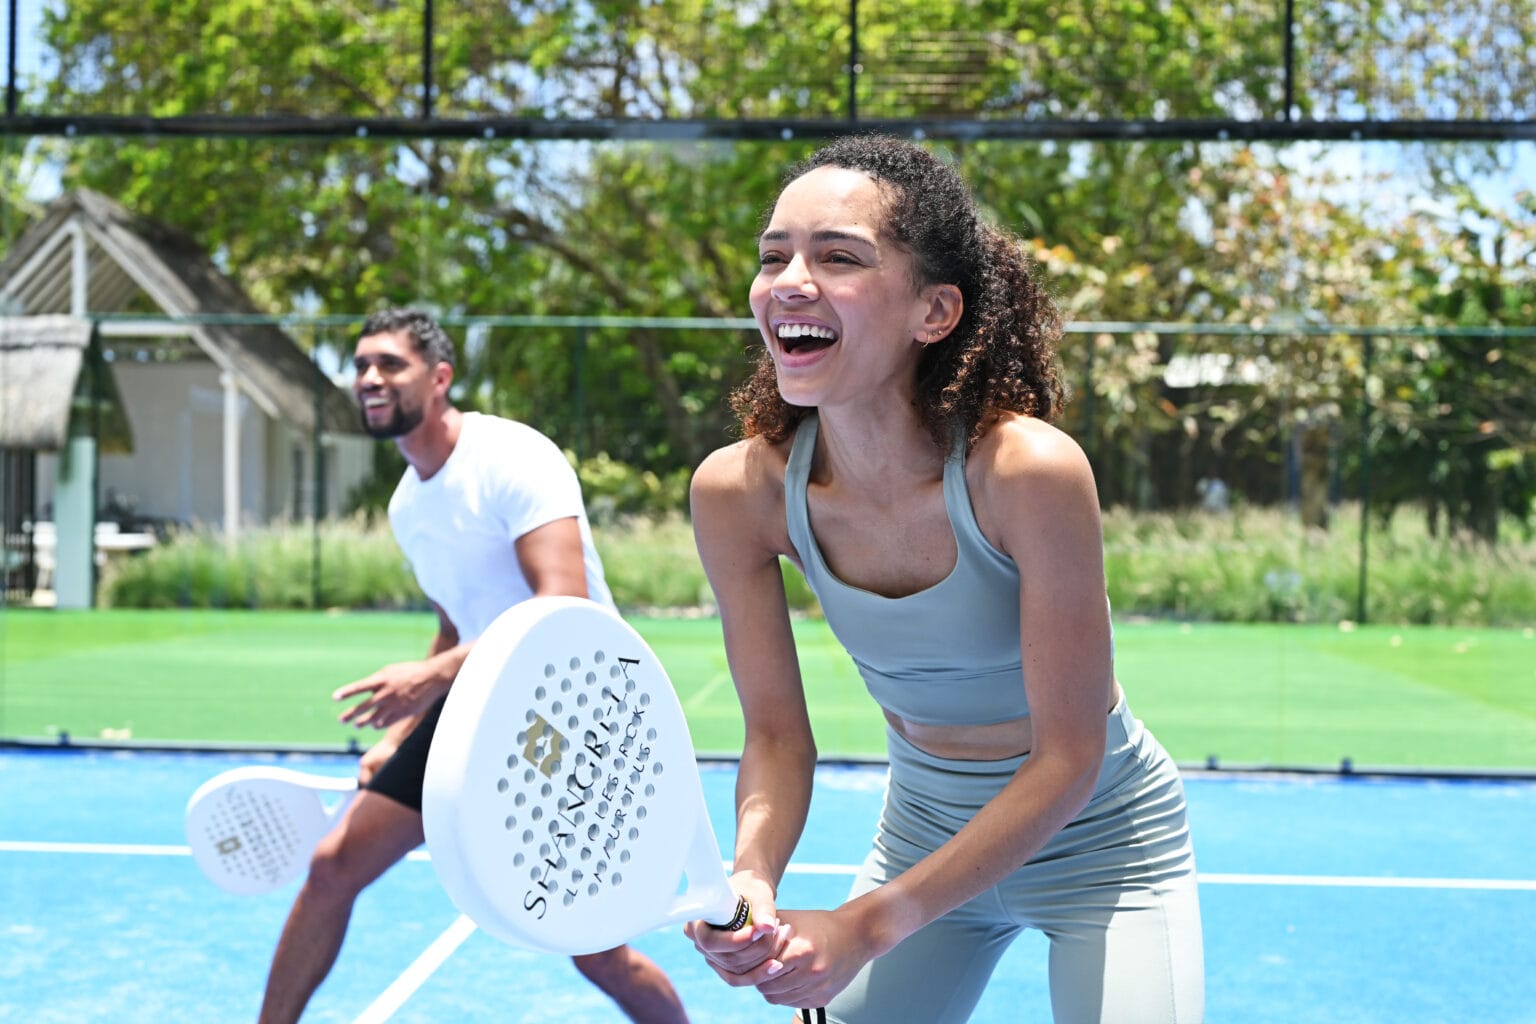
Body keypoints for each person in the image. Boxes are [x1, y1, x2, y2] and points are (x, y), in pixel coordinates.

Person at [684, 137, 1204, 1023]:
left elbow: (1071, 757)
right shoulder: (736, 492)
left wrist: (862, 926)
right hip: (923, 830)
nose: (787, 280)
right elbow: (776, 738)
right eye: (773, 256)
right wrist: (750, 878)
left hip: (1104, 844)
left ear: (935, 311)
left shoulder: (1029, 471)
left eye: (837, 255)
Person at [258, 309, 690, 1024]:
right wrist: (399, 735)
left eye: (390, 364)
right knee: (333, 866)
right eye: (361, 364)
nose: (370, 378)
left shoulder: (511, 458)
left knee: (596, 952)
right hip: (477, 706)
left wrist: (430, 679)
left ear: (440, 377)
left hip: (573, 712)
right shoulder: (407, 505)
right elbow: (457, 622)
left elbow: (562, 605)